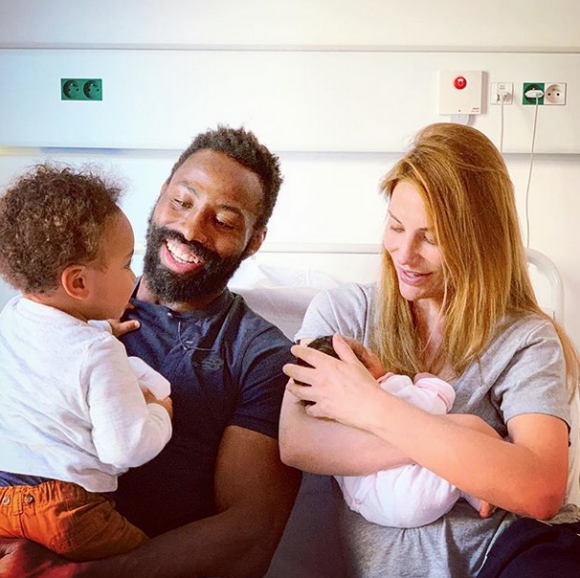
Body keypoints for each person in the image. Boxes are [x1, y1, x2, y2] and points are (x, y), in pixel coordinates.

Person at [280, 123, 580, 578]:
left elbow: (540, 490)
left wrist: (369, 405)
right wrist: (467, 438)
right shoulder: (343, 315)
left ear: (480, 241)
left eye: (432, 237)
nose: (404, 253)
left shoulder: (526, 338)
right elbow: (298, 443)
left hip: (508, 551)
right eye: (396, 226)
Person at [0, 126, 301, 578]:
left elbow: (248, 539)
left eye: (224, 220)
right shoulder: (53, 309)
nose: (190, 229)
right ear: (160, 196)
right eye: (182, 202)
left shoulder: (258, 356)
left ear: (254, 240)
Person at [0, 165, 173, 561]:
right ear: (78, 284)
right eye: (128, 263)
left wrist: (95, 322)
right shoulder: (97, 352)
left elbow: (54, 347)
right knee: (148, 565)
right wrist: (159, 413)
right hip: (67, 508)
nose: (135, 275)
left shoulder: (11, 317)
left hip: (3, 496)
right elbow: (125, 449)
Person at [303, 337, 496, 529]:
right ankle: (473, 490)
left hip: (367, 502)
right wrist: (428, 382)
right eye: (366, 351)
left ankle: (470, 491)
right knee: (453, 457)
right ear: (364, 369)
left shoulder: (326, 417)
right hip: (405, 489)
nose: (373, 350)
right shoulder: (389, 388)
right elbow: (432, 408)